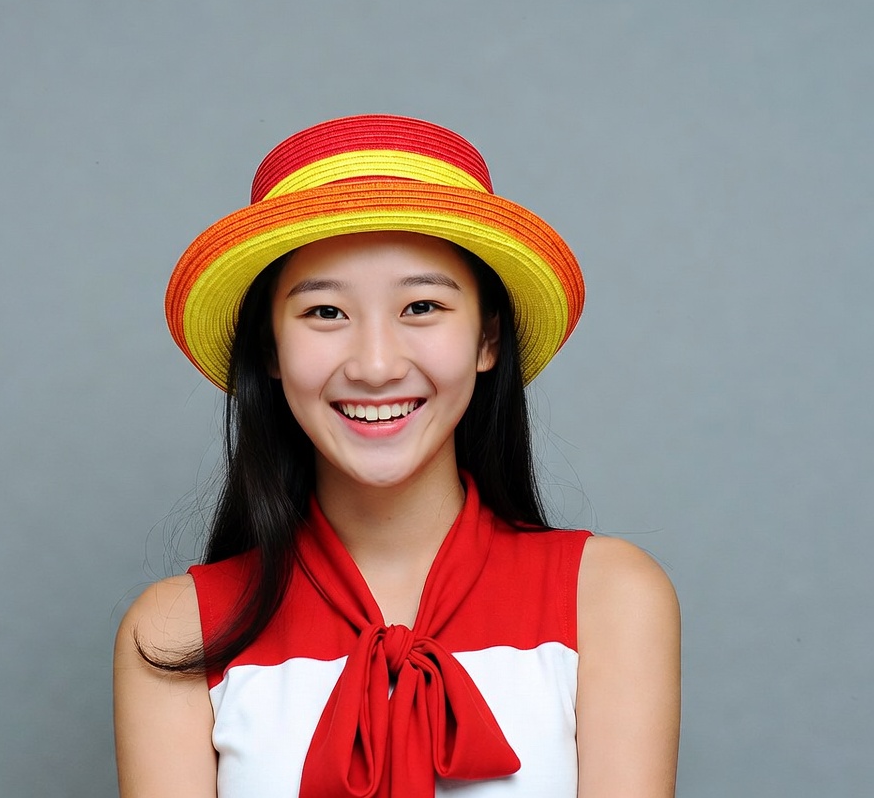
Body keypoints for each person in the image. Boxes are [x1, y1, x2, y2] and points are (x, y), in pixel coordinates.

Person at [113, 114, 680, 798]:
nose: (376, 366)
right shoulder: (179, 631)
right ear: (269, 349)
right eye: (325, 313)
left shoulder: (607, 598)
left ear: (487, 340)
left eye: (422, 306)